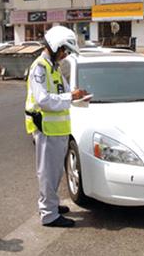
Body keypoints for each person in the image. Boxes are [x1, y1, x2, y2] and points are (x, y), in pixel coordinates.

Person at [25, 26, 89, 228]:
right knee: (47, 173)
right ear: (55, 46)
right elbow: (43, 100)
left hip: (58, 130)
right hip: (46, 130)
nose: (65, 55)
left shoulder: (53, 66)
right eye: (65, 50)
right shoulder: (40, 68)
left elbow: (65, 92)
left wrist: (77, 95)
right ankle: (49, 214)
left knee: (55, 173)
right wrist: (70, 96)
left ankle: (51, 205)